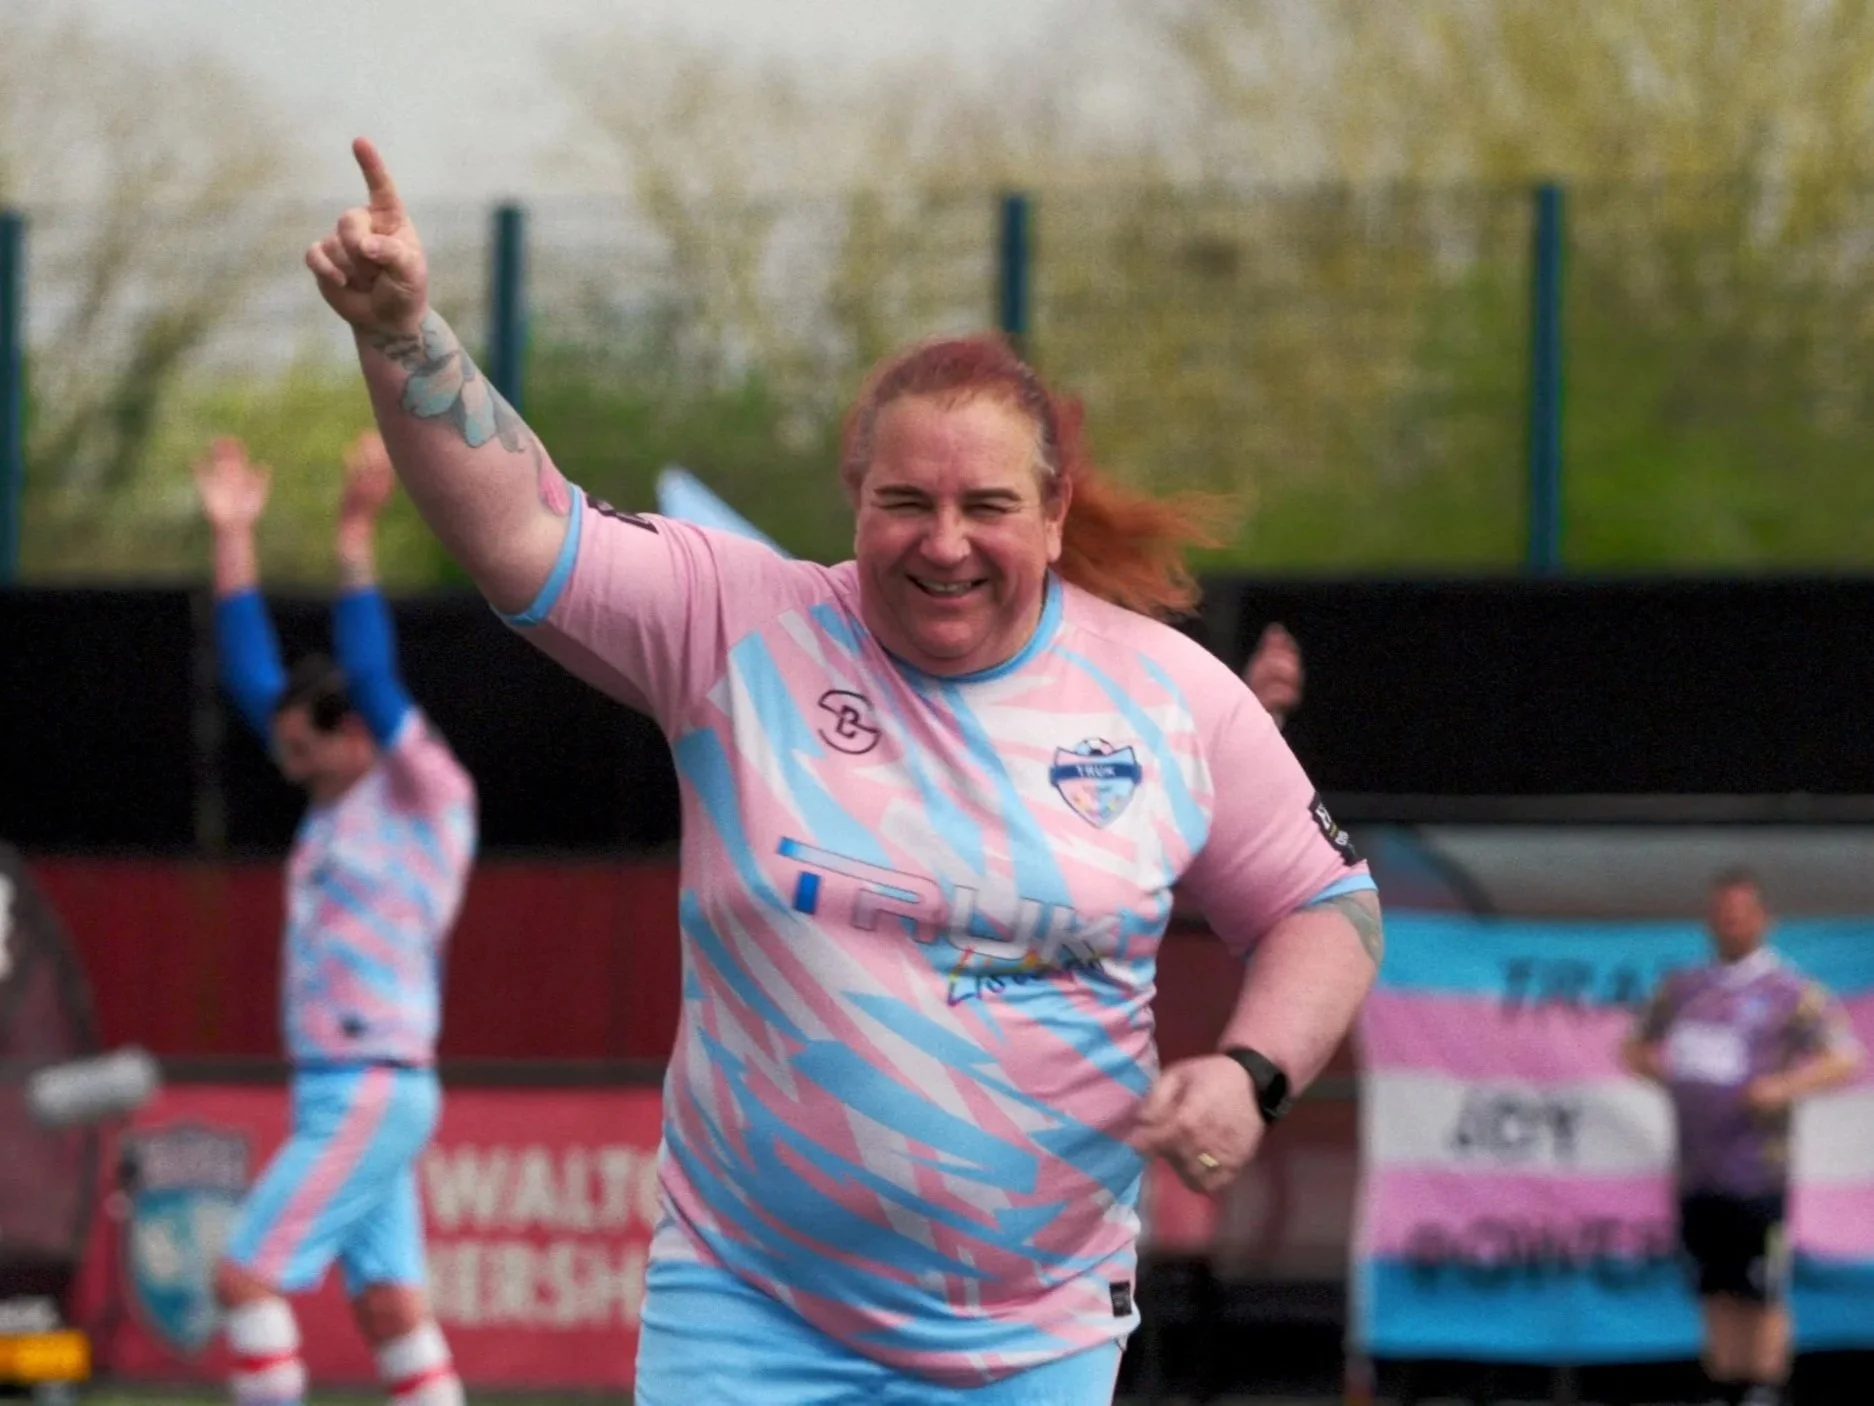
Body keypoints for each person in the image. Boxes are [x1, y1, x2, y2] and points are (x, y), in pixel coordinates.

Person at [305, 137, 1384, 1406]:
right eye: (901, 502)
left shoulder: (1171, 697)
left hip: (1030, 1336)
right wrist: (400, 329)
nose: (942, 543)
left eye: (984, 505)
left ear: (1051, 511)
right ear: (851, 499)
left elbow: (1327, 907)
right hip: (745, 1303)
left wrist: (1249, 1073)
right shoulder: (733, 626)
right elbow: (520, 529)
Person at [193, 431, 478, 1406]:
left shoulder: (422, 789)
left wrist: (356, 533)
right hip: (345, 1086)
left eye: (305, 746)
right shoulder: (334, 790)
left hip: (369, 1081)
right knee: (393, 1307)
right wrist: (234, 535)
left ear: (354, 731)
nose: (289, 762)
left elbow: (368, 674)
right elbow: (252, 679)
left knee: (244, 1275)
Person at [1622, 868, 1864, 1406]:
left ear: (1762, 920)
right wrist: (1674, 1079)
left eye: (1739, 915)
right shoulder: (1684, 988)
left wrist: (1781, 1086)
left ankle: (1764, 1386)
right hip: (1698, 1168)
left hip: (1758, 1170)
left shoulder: (1789, 991)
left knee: (1763, 1290)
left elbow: (1844, 1057)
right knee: (1715, 1287)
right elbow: (1634, 1047)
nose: (1729, 924)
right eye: (1720, 916)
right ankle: (1723, 1386)